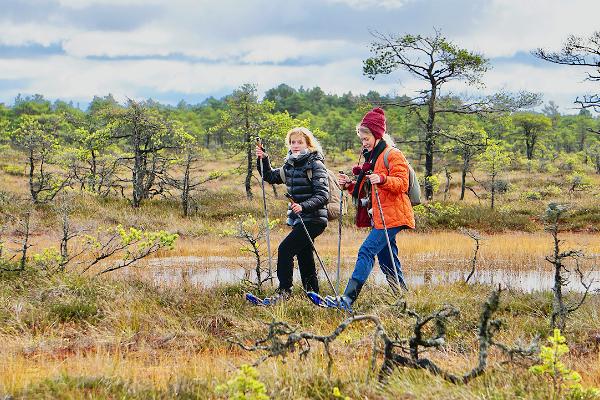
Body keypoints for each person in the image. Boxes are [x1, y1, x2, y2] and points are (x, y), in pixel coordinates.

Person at [335, 107, 415, 309]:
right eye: (362, 139)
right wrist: (349, 185)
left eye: (366, 137)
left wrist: (382, 178)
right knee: (388, 259)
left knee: (366, 251)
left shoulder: (392, 154)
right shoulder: (371, 158)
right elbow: (366, 192)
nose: (364, 142)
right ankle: (402, 301)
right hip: (380, 216)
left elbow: (402, 184)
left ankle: (347, 299)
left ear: (378, 134)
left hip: (393, 215)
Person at [255, 127, 329, 303]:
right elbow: (270, 176)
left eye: (299, 142)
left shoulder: (315, 164)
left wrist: (303, 206)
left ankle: (284, 291)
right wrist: (263, 159)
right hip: (300, 219)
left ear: (308, 144)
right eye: (292, 142)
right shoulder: (290, 164)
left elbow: (323, 195)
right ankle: (313, 295)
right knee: (304, 254)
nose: (295, 145)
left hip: (315, 219)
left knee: (285, 249)